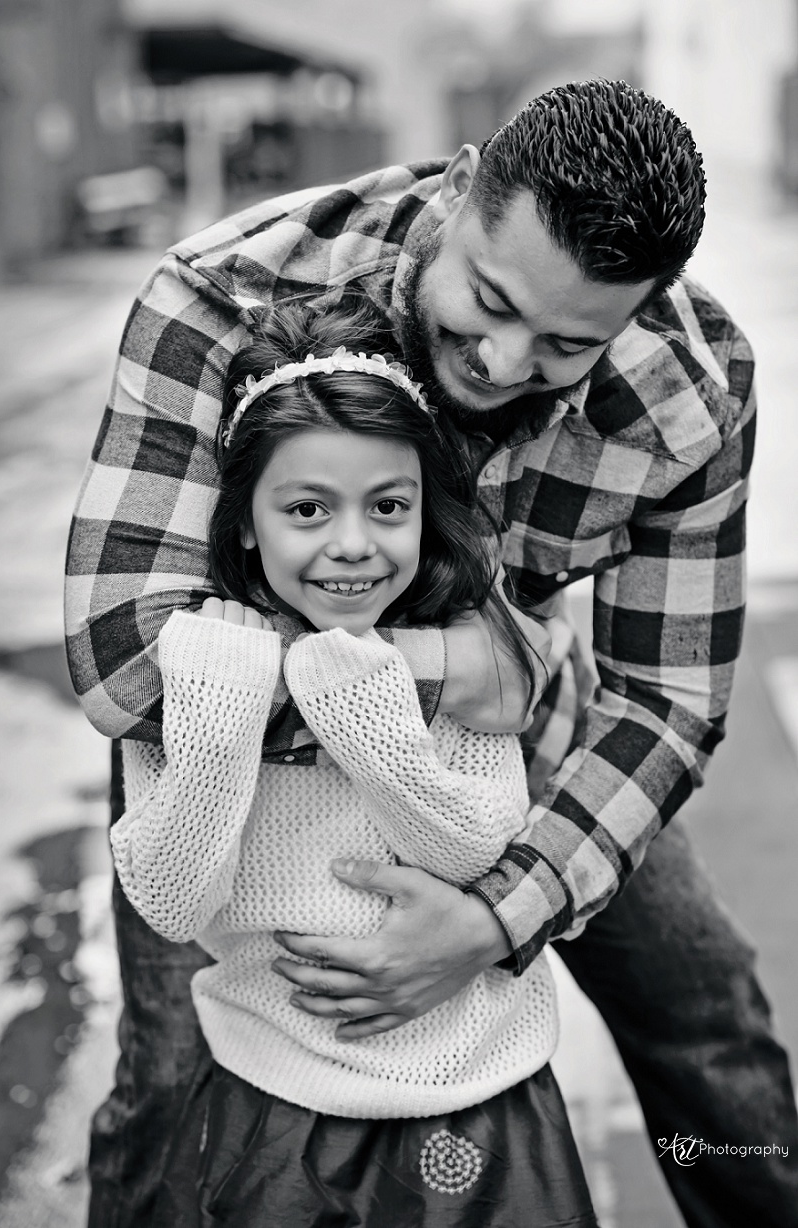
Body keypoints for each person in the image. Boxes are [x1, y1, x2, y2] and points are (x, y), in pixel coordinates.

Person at [65, 79, 798, 1227]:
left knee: (707, 1023)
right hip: (230, 758)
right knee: (168, 1086)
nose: (503, 361)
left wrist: (498, 918)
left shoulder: (692, 394)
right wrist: (455, 667)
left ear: (642, 308)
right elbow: (123, 662)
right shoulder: (225, 298)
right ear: (459, 191)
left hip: (517, 744)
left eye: (566, 343)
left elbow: (666, 700)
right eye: (489, 301)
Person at [109, 297, 596, 1225]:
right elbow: (170, 902)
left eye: (388, 507)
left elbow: (476, 851)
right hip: (273, 1094)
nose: (353, 545)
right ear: (244, 523)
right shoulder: (203, 660)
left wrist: (364, 706)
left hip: (479, 1086)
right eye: (306, 509)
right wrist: (220, 717)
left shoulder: (459, 653)